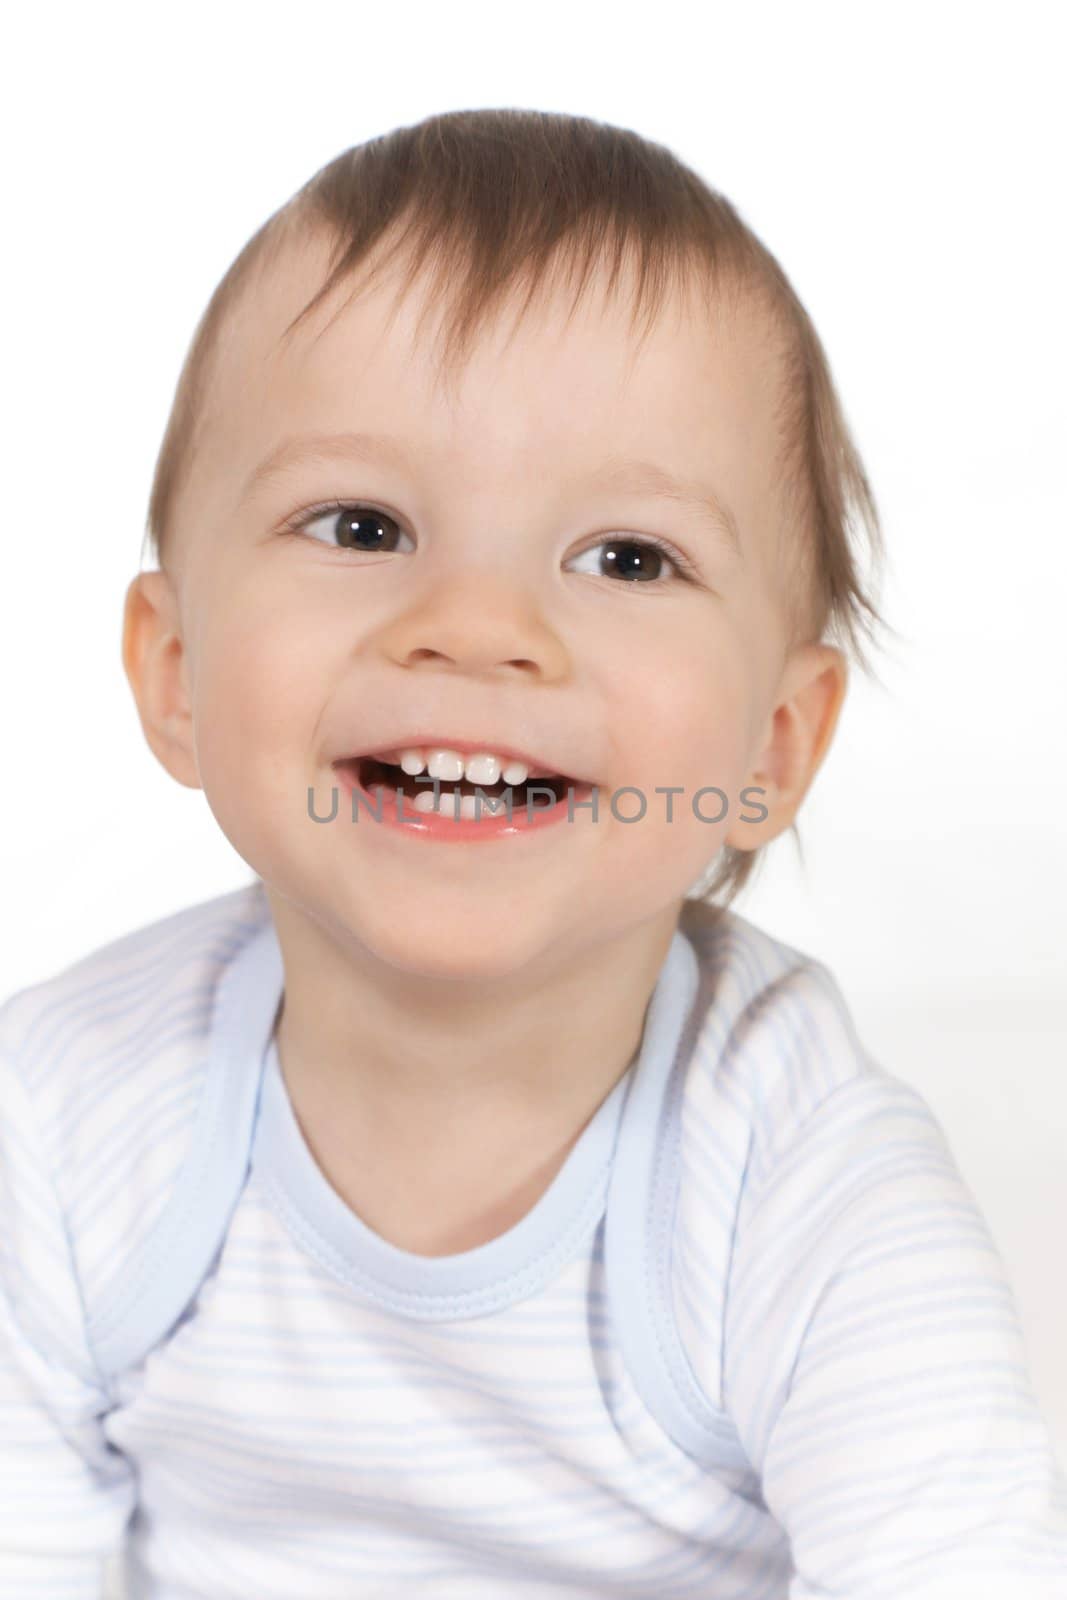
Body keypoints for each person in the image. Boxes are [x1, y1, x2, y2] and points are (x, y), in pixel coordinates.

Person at [2, 108, 1065, 1599]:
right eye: (361, 524)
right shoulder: (62, 1125)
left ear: (772, 746)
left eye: (627, 558)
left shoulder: (801, 1183)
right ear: (176, 672)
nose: (480, 625)